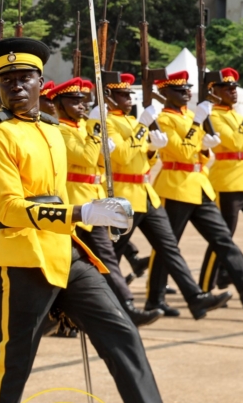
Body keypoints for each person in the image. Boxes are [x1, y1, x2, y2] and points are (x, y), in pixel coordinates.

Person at [0, 38, 228, 403]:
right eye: (6, 81)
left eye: (24, 78)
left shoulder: (48, 128)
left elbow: (63, 183)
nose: (15, 87)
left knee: (124, 335)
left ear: (40, 84)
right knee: (13, 366)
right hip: (22, 256)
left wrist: (96, 201)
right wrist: (81, 211)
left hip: (67, 252)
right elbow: (8, 206)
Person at [103, 74, 228, 317]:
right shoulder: (109, 123)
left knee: (169, 247)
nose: (129, 98)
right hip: (124, 196)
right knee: (113, 255)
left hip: (147, 194)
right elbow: (122, 158)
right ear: (109, 98)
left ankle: (195, 297)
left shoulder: (130, 121)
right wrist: (142, 128)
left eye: (130, 94)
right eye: (123, 94)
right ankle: (111, 306)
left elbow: (141, 160)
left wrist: (150, 150)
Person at [147, 71, 243, 314]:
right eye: (179, 90)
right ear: (165, 94)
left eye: (187, 89)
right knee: (168, 245)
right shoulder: (164, 119)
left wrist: (204, 146)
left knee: (222, 237)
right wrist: (196, 128)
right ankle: (155, 298)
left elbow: (200, 153)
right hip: (175, 186)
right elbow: (181, 153)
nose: (186, 93)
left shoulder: (194, 115)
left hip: (199, 184)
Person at [50, 77, 162, 326]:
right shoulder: (59, 130)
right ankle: (121, 307)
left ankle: (121, 307)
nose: (81, 105)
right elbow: (85, 157)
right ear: (58, 103)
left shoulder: (80, 128)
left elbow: (100, 164)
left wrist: (102, 146)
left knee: (100, 258)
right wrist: (98, 129)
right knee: (78, 261)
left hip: (93, 200)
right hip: (74, 203)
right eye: (74, 101)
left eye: (83, 101)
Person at [198, 69, 243, 295]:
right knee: (223, 236)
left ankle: (221, 276)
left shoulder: (236, 116)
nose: (234, 91)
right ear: (214, 91)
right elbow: (235, 141)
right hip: (227, 182)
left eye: (234, 88)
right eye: (227, 88)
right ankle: (205, 286)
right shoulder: (213, 117)